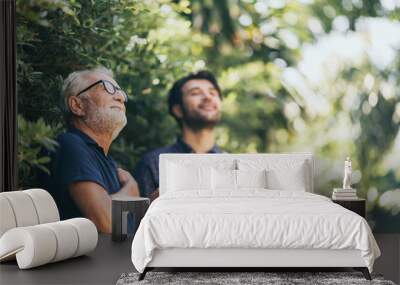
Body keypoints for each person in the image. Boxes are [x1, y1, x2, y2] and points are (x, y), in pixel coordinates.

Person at [43, 67, 139, 233]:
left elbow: (124, 230)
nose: (120, 97)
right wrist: (131, 191)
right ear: (77, 105)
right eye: (107, 87)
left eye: (120, 91)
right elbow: (107, 222)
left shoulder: (106, 160)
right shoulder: (70, 144)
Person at [134, 70, 223, 201]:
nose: (208, 97)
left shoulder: (233, 164)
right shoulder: (153, 163)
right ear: (178, 110)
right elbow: (140, 219)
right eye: (195, 93)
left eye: (212, 93)